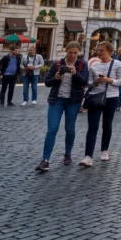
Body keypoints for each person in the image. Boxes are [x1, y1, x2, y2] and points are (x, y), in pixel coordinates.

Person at [35, 41, 88, 170]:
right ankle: (45, 159)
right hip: (56, 100)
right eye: (70, 52)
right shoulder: (57, 63)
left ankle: (68, 153)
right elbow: (47, 82)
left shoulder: (82, 64)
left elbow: (85, 82)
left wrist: (76, 74)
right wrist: (56, 78)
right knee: (52, 129)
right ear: (66, 51)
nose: (72, 55)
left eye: (75, 53)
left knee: (70, 129)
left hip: (73, 101)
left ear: (78, 53)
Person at [79, 41, 121, 167]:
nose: (98, 52)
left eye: (101, 50)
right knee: (92, 127)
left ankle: (104, 150)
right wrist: (95, 82)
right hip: (95, 97)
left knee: (107, 125)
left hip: (111, 98)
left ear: (109, 51)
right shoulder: (93, 65)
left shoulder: (117, 64)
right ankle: (88, 156)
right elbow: (88, 83)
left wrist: (108, 80)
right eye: (98, 50)